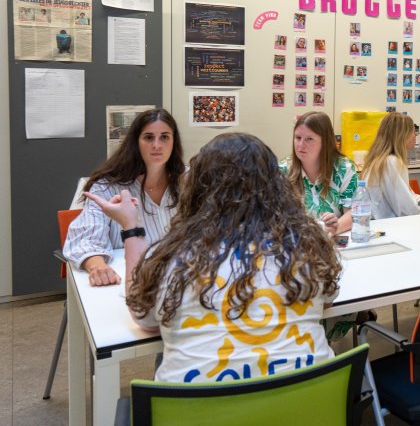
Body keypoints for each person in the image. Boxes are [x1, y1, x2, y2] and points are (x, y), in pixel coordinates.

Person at [89, 133, 340, 382]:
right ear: (278, 187)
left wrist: (131, 228)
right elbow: (326, 302)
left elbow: (144, 317)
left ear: (198, 189)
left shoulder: (173, 256)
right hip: (308, 408)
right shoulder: (308, 247)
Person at [63, 109, 184, 286]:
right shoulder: (108, 187)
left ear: (174, 142)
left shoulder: (188, 181)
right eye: (149, 138)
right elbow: (84, 240)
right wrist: (98, 267)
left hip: (179, 277)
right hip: (128, 279)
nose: (157, 145)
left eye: (164, 137)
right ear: (136, 142)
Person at [279, 111, 358, 236]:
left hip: (335, 240)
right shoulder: (283, 170)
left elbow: (353, 212)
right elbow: (276, 216)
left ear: (325, 142)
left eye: (309, 139)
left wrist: (333, 228)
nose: (301, 145)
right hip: (298, 240)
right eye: (298, 138)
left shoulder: (344, 168)